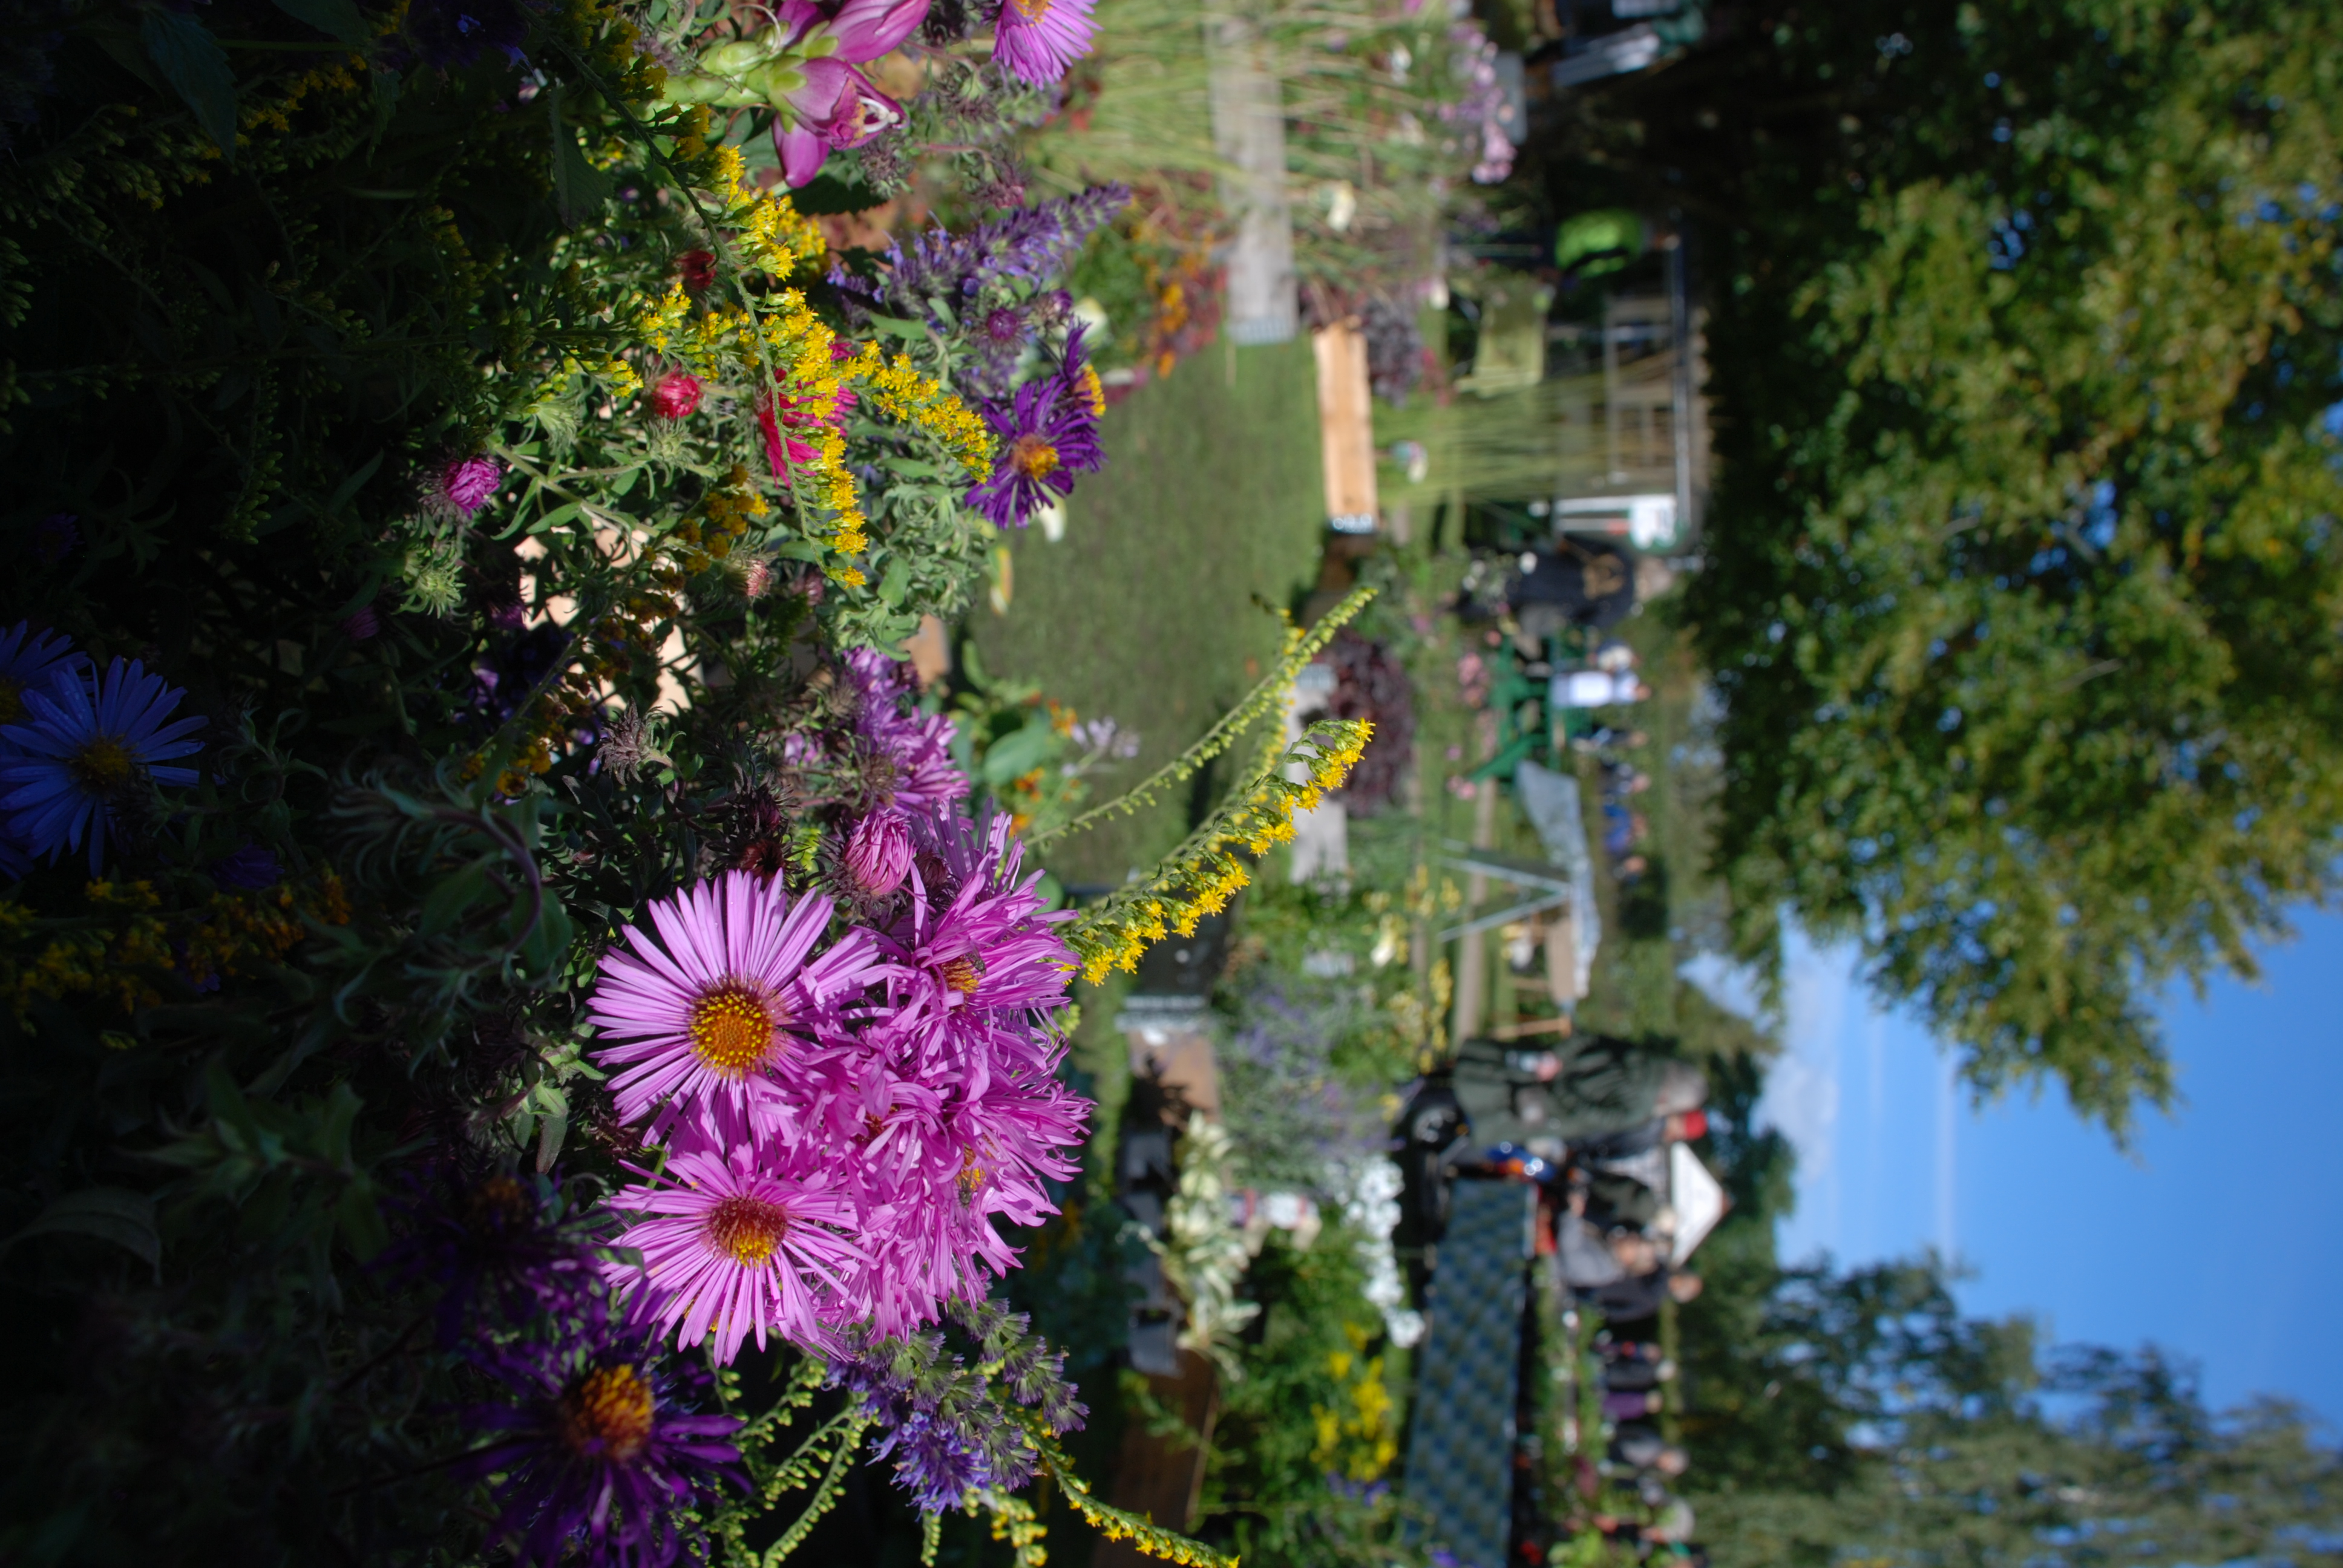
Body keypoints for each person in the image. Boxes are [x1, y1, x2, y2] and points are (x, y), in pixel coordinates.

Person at [1450, 1036, 1707, 1149]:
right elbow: (1589, 1116)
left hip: (1540, 1067)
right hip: (1543, 1104)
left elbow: (1589, 1038)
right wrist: (1561, 1087)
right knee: (1466, 1112)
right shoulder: (1639, 1111)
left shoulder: (1639, 1055)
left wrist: (1557, 1057)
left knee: (1465, 1070)